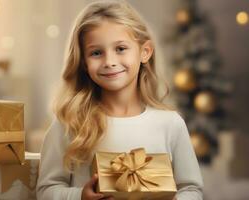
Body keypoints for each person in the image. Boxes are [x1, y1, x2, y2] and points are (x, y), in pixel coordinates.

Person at [36, 0, 204, 199]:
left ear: (145, 52)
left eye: (121, 49)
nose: (109, 62)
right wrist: (80, 196)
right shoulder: (69, 124)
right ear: (83, 62)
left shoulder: (171, 124)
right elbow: (47, 190)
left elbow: (191, 189)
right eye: (96, 53)